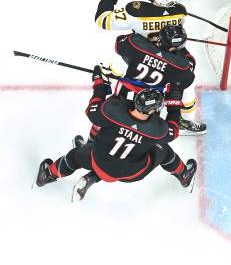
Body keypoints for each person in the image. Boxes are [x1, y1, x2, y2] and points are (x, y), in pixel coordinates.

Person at [35, 66, 197, 201]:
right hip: (131, 173)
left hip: (98, 160)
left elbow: (92, 109)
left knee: (75, 156)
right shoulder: (156, 130)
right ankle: (184, 175)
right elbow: (173, 130)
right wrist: (174, 103)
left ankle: (47, 175)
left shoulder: (113, 110)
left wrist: (99, 84)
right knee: (164, 150)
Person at [93, 0, 200, 131]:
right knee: (188, 80)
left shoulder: (135, 10)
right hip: (168, 60)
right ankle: (186, 119)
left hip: (137, 55)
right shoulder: (180, 12)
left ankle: (107, 80)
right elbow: (177, 34)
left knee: (117, 66)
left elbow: (102, 20)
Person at [113, 24, 206, 135]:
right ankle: (183, 120)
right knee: (185, 87)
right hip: (153, 97)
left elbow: (119, 44)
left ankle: (99, 132)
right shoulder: (180, 65)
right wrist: (179, 49)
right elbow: (188, 74)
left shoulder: (137, 43)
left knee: (111, 114)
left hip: (128, 87)